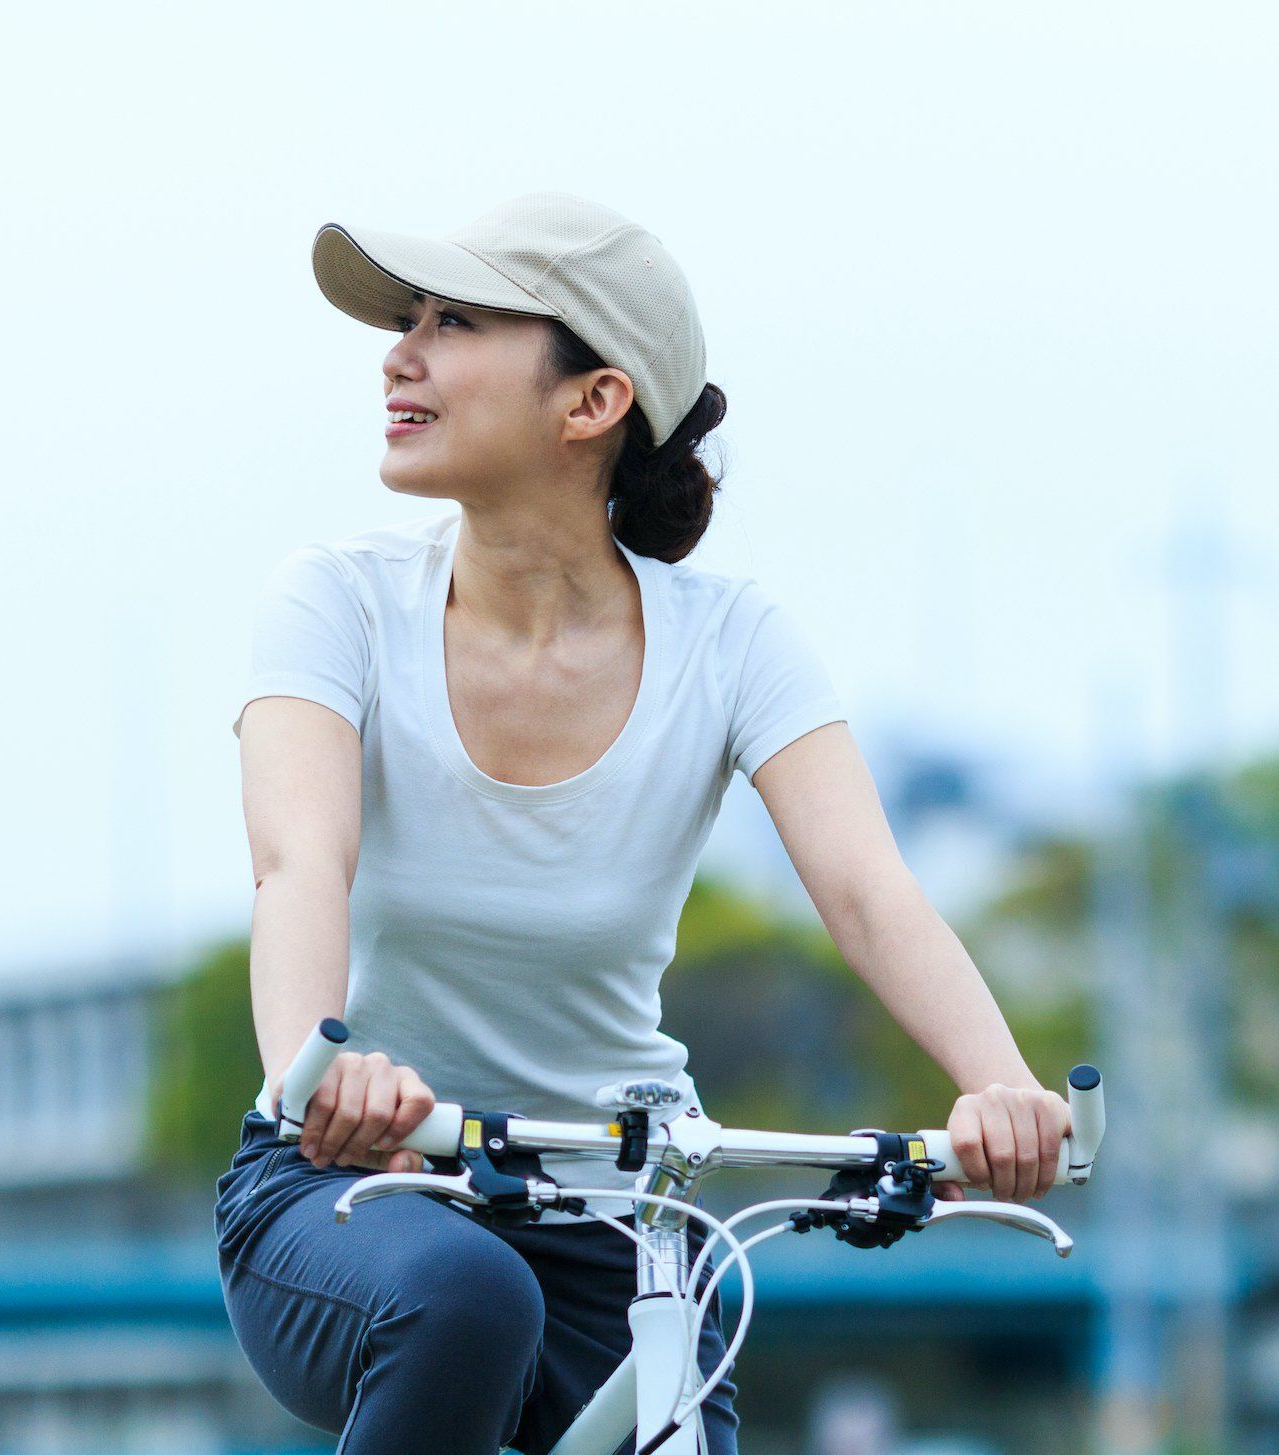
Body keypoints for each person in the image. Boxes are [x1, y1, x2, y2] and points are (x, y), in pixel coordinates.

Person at [213, 191, 1071, 1455]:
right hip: (350, 1186)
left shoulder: (729, 639)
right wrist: (319, 1070)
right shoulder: (336, 603)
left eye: (452, 322)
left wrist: (998, 1085)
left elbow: (867, 891)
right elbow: (299, 863)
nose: (401, 353)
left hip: (619, 1208)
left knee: (667, 1388)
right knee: (465, 1297)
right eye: (408, 322)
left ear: (592, 401)